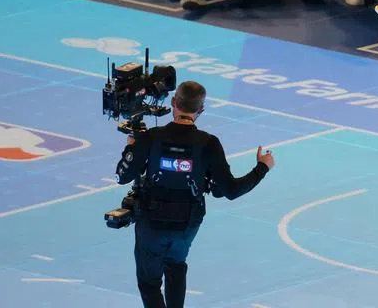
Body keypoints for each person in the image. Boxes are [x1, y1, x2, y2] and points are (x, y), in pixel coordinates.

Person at [114, 81, 275, 308]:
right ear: (201, 110)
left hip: (151, 223)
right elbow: (231, 190)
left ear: (173, 103)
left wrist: (131, 147)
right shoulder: (209, 144)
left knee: (149, 284)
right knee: (176, 265)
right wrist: (262, 167)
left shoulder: (150, 138)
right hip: (187, 224)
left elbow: (122, 177)